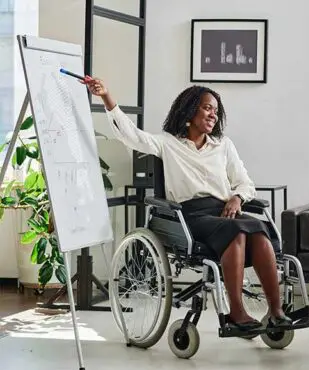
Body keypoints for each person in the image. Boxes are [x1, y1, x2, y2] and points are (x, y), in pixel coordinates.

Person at [84, 78, 292, 335]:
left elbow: (244, 183)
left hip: (225, 211)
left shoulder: (223, 146)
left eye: (215, 111)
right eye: (207, 108)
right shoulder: (167, 143)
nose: (213, 114)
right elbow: (130, 135)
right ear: (190, 110)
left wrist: (237, 198)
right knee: (237, 231)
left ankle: (275, 312)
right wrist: (107, 97)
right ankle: (237, 312)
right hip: (189, 217)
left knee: (258, 230)